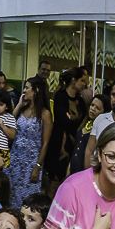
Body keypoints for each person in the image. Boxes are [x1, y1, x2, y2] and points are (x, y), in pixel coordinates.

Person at [7, 77, 52, 208]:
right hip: (15, 159)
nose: (24, 91)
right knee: (11, 196)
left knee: (27, 200)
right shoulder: (22, 109)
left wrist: (37, 166)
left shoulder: (44, 114)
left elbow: (45, 143)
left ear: (36, 90)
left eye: (27, 88)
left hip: (30, 164)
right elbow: (9, 123)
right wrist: (19, 105)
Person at [46, 67, 86, 196]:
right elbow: (63, 120)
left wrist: (72, 120)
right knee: (54, 183)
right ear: (73, 81)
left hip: (73, 146)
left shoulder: (81, 101)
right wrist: (73, 122)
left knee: (66, 183)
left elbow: (83, 122)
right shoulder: (60, 96)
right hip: (59, 145)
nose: (85, 85)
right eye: (82, 81)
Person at [70, 94, 109, 175]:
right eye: (92, 105)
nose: (93, 109)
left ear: (104, 113)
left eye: (98, 108)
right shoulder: (83, 123)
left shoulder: (100, 130)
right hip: (73, 166)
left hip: (86, 170)